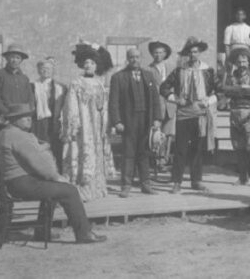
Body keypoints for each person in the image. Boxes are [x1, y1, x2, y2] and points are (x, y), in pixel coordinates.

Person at [0, 103, 106, 244]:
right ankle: (84, 233)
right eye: (24, 117)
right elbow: (38, 162)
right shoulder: (18, 136)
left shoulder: (5, 133)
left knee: (53, 189)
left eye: (29, 116)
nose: (29, 119)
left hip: (12, 183)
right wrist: (56, 177)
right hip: (22, 183)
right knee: (70, 191)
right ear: (14, 120)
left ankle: (43, 232)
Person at [160, 37, 218, 193]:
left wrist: (208, 101)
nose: (193, 55)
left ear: (200, 53)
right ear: (187, 54)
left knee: (197, 149)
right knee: (180, 148)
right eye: (190, 52)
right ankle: (177, 182)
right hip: (183, 114)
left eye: (196, 52)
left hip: (200, 114)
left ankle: (196, 181)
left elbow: (219, 91)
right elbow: (163, 88)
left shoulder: (208, 71)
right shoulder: (179, 71)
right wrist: (176, 99)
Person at [61, 43, 115, 201]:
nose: (89, 65)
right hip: (83, 125)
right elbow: (71, 104)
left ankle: (96, 188)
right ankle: (81, 189)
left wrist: (106, 123)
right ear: (82, 65)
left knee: (96, 153)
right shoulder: (76, 83)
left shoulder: (99, 83)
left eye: (92, 63)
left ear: (96, 66)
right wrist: (74, 123)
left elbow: (103, 105)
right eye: (86, 63)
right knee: (83, 152)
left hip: (96, 125)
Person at [109, 48, 161, 197]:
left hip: (146, 119)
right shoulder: (118, 77)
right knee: (128, 153)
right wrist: (117, 121)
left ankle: (146, 184)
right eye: (131, 57)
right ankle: (126, 185)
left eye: (137, 57)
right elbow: (113, 102)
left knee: (144, 153)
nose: (134, 60)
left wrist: (157, 118)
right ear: (127, 59)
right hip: (128, 121)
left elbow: (155, 99)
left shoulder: (148, 75)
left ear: (141, 58)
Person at [222, 46, 250, 186]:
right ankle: (243, 177)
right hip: (235, 113)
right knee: (239, 147)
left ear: (249, 62)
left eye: (244, 61)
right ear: (235, 63)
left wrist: (236, 91)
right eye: (239, 62)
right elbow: (225, 90)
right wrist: (243, 89)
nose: (242, 64)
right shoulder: (231, 76)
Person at [31, 57, 66, 169]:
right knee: (40, 147)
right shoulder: (33, 86)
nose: (45, 70)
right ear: (38, 70)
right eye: (42, 68)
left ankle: (57, 172)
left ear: (53, 70)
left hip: (55, 122)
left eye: (48, 68)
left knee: (56, 148)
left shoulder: (61, 87)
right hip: (39, 122)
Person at [0, 44, 33, 117]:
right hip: (4, 116)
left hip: (22, 116)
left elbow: (30, 98)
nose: (15, 60)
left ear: (21, 60)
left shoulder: (24, 78)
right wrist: (6, 112)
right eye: (12, 57)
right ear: (7, 58)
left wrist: (28, 111)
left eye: (18, 58)